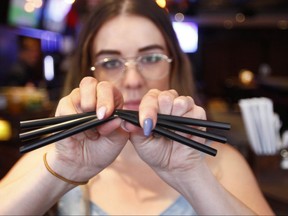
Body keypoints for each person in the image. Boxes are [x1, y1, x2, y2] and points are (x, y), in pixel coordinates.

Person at [0, 0, 274, 215]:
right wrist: (62, 172)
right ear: (89, 74)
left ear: (174, 64)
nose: (133, 80)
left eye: (151, 57)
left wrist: (190, 176)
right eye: (110, 62)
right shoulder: (56, 153)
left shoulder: (221, 162)